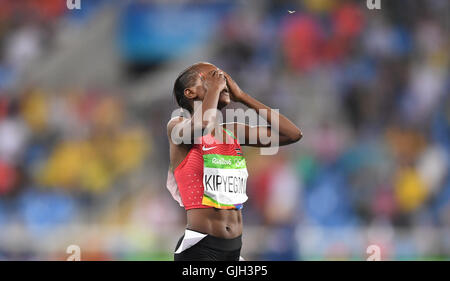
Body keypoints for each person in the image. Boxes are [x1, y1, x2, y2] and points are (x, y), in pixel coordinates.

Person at [166, 62, 302, 261]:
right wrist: (215, 88)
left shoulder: (233, 131)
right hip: (200, 249)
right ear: (190, 93)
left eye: (220, 77)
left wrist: (243, 97)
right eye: (209, 77)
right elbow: (203, 125)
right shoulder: (177, 127)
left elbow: (292, 134)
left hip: (233, 250)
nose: (221, 81)